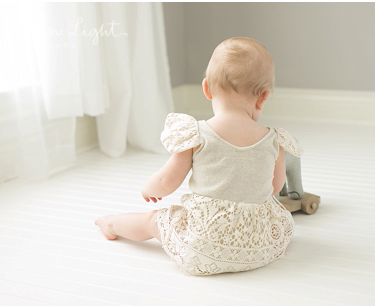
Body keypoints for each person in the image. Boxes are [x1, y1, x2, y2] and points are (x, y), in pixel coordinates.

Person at [95, 37, 301, 275]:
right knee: (280, 219)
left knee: (153, 221)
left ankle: (110, 223)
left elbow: (167, 181)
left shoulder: (196, 134)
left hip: (203, 245)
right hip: (261, 246)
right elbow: (275, 187)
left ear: (206, 89)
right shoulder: (275, 139)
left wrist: (150, 189)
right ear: (263, 97)